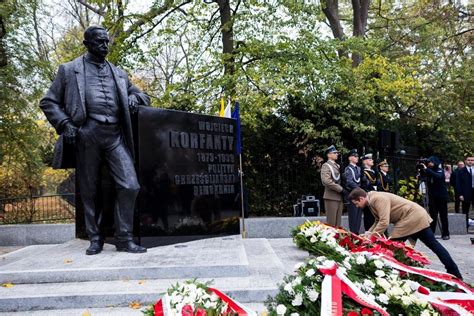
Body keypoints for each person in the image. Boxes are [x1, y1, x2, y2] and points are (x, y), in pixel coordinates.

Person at [40, 26, 149, 255]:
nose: (105, 45)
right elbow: (49, 102)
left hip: (115, 135)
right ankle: (95, 238)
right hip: (87, 133)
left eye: (106, 41)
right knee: (89, 190)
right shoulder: (69, 70)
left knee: (130, 185)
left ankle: (124, 238)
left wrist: (133, 97)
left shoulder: (118, 73)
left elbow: (143, 96)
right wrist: (66, 124)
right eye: (99, 42)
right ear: (87, 43)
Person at [349, 188, 463, 279]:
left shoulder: (377, 198)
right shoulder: (372, 199)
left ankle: (390, 275)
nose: (356, 206)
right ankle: (454, 272)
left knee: (391, 248)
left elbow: (384, 222)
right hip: (416, 216)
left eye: (356, 203)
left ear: (361, 198)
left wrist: (371, 238)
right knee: (434, 245)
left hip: (410, 219)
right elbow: (378, 220)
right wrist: (368, 233)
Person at [421, 156, 450, 240]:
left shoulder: (439, 170)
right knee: (432, 216)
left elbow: (438, 176)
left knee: (443, 216)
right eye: (428, 162)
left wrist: (427, 169)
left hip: (441, 197)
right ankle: (431, 234)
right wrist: (422, 171)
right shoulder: (428, 171)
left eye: (431, 162)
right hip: (432, 197)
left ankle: (445, 233)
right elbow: (423, 178)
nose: (429, 164)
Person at [320, 145, 344, 226]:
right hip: (331, 196)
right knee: (331, 223)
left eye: (337, 153)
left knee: (338, 224)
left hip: (339, 197)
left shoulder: (338, 165)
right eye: (334, 153)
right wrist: (340, 189)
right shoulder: (326, 166)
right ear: (328, 155)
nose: (337, 154)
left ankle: (337, 238)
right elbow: (327, 181)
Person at [344, 149, 362, 233]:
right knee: (353, 217)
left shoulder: (358, 168)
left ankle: (357, 234)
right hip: (353, 195)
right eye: (355, 156)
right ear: (350, 158)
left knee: (358, 217)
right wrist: (359, 190)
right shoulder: (348, 169)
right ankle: (353, 235)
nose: (357, 158)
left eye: (357, 156)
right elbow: (349, 182)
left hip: (360, 195)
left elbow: (361, 180)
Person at [361, 153, 379, 230]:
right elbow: (365, 185)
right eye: (370, 159)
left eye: (372, 159)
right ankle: (368, 231)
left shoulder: (374, 172)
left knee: (374, 215)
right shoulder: (364, 172)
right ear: (364, 162)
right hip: (368, 195)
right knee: (368, 215)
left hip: (375, 194)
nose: (372, 161)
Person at [456, 156, 474, 231]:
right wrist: (460, 194)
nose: (470, 161)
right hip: (465, 193)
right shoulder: (460, 171)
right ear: (465, 161)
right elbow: (458, 184)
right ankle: (465, 227)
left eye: (472, 160)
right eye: (469, 160)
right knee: (465, 210)